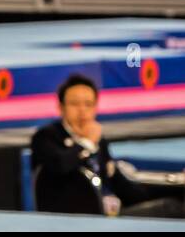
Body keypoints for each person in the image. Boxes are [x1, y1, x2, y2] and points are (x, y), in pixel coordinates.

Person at [31, 73, 184, 217]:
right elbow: (61, 165)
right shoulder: (46, 136)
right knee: (169, 208)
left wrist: (176, 189)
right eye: (74, 104)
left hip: (108, 213)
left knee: (175, 201)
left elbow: (127, 190)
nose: (82, 110)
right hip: (71, 216)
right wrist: (87, 143)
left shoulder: (98, 140)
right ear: (61, 107)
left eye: (88, 104)